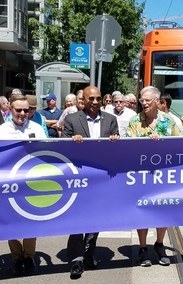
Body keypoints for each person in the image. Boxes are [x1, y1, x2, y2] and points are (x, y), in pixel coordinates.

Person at [62, 85, 119, 279]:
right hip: (78, 177)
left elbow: (117, 151)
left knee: (96, 218)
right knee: (77, 219)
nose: (95, 102)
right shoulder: (71, 120)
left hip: (101, 178)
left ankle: (89, 253)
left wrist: (116, 141)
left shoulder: (111, 120)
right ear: (83, 100)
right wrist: (72, 140)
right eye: (91, 99)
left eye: (98, 98)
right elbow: (63, 149)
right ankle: (76, 260)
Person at [126, 86, 181, 267]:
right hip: (141, 175)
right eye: (142, 100)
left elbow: (180, 144)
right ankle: (142, 248)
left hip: (163, 175)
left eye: (148, 100)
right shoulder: (135, 121)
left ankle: (159, 244)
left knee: (163, 209)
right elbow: (128, 146)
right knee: (142, 210)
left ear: (157, 101)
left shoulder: (168, 121)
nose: (144, 103)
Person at [0, 94, 47, 276]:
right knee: (11, 223)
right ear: (10, 109)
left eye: (26, 110)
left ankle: (30, 257)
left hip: (32, 183)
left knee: (32, 221)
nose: (23, 113)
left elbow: (46, 153)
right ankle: (17, 257)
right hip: (9, 182)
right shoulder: (1, 130)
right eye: (18, 110)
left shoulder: (37, 128)